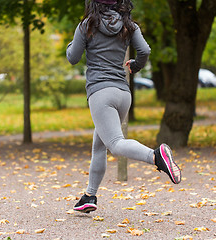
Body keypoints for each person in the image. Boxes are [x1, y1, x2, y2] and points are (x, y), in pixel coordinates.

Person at [66, 0, 181, 214]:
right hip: (123, 93)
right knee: (99, 145)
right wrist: (135, 66)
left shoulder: (87, 25)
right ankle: (89, 196)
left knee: (116, 144)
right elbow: (144, 50)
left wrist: (69, 46)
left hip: (101, 93)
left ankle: (156, 156)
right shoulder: (129, 26)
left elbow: (73, 57)